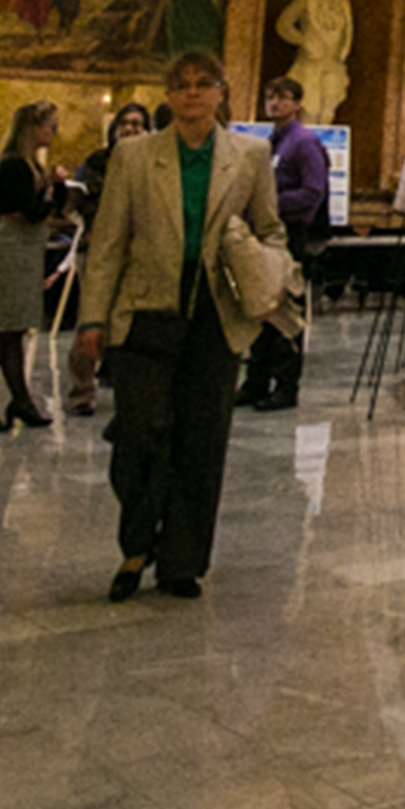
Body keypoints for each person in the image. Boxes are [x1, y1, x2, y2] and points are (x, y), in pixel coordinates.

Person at [71, 49, 287, 602]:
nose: (191, 94)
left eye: (203, 84)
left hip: (215, 317)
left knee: (202, 437)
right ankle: (137, 543)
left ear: (221, 92)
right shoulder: (135, 156)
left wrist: (267, 278)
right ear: (168, 95)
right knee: (140, 431)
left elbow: (271, 230)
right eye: (180, 85)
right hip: (146, 312)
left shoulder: (251, 154)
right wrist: (92, 317)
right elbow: (109, 242)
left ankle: (182, 559)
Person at [235, 75, 329, 413]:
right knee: (259, 306)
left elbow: (312, 192)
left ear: (297, 103)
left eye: (282, 98)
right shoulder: (270, 142)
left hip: (291, 233)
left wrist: (270, 204)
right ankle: (256, 380)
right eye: (270, 97)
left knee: (285, 310)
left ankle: (286, 386)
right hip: (263, 235)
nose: (274, 103)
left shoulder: (303, 143)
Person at [0, 100, 64, 434]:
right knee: (2, 328)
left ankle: (21, 400)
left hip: (26, 247)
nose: (54, 132)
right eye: (50, 125)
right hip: (13, 249)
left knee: (15, 331)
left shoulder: (28, 165)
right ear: (33, 128)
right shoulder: (13, 166)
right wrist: (52, 193)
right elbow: (30, 211)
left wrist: (53, 191)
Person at [64, 102, 151, 416]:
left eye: (137, 124)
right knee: (90, 319)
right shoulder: (99, 162)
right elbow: (92, 204)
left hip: (138, 253)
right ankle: (80, 392)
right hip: (98, 249)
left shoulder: (153, 162)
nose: (130, 129)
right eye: (125, 123)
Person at [273, 0, 354, 123]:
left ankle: (323, 147)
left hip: (333, 65)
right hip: (310, 65)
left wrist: (344, 50)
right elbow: (283, 24)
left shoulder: (344, 3)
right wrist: (302, 41)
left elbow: (349, 30)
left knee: (328, 113)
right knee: (309, 111)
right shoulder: (306, 0)